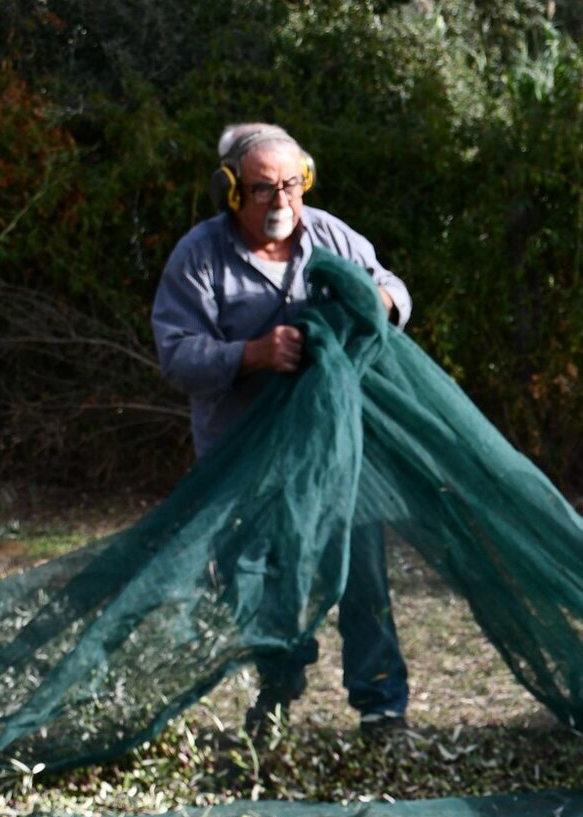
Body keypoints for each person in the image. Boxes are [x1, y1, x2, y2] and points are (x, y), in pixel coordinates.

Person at [151, 123, 412, 736]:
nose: (281, 202)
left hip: (339, 452)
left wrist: (380, 302)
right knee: (255, 582)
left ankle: (382, 705)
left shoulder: (328, 234)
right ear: (233, 192)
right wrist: (251, 355)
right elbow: (177, 355)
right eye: (264, 189)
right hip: (244, 461)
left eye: (292, 185)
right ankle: (272, 697)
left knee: (363, 570)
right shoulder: (200, 255)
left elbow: (393, 288)